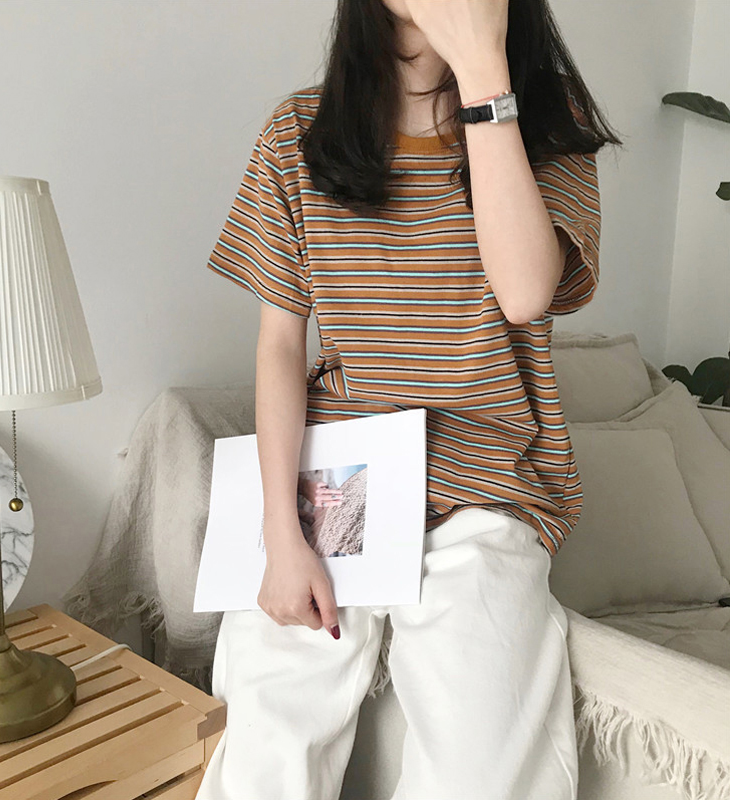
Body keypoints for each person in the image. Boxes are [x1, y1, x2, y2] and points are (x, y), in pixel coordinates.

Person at [196, 0, 623, 798]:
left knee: (483, 767)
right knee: (268, 742)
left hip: (487, 480)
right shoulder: (297, 130)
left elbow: (526, 292)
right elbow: (280, 347)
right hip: (342, 476)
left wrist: (484, 70)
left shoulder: (547, 117)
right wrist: (281, 531)